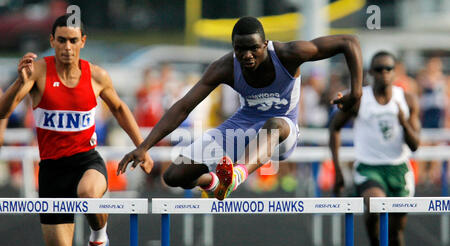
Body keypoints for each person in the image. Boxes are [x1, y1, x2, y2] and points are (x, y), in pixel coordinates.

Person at [118, 16, 363, 201]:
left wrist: (357, 92)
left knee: (274, 123)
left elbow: (348, 42)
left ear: (265, 44)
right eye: (240, 49)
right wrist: (144, 146)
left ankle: (236, 176)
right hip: (242, 129)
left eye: (253, 48)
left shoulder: (289, 54)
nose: (247, 55)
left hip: (282, 133)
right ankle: (215, 183)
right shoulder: (224, 67)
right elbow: (183, 107)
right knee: (174, 176)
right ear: (233, 47)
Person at [0, 14, 152, 246]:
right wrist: (16, 84)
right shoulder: (37, 73)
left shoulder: (97, 75)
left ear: (82, 42)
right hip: (52, 173)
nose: (67, 47)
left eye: (73, 40)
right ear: (52, 41)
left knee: (88, 195)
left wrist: (141, 146)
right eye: (61, 40)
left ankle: (99, 239)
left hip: (87, 163)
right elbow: (2, 112)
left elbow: (119, 108)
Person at [329, 51, 421, 246]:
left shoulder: (407, 99)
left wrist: (403, 122)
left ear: (395, 71)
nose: (384, 73)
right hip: (368, 167)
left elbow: (415, 145)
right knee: (376, 205)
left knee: (396, 233)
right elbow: (335, 127)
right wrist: (338, 171)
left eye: (388, 68)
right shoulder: (360, 99)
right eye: (378, 69)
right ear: (369, 73)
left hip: (398, 169)